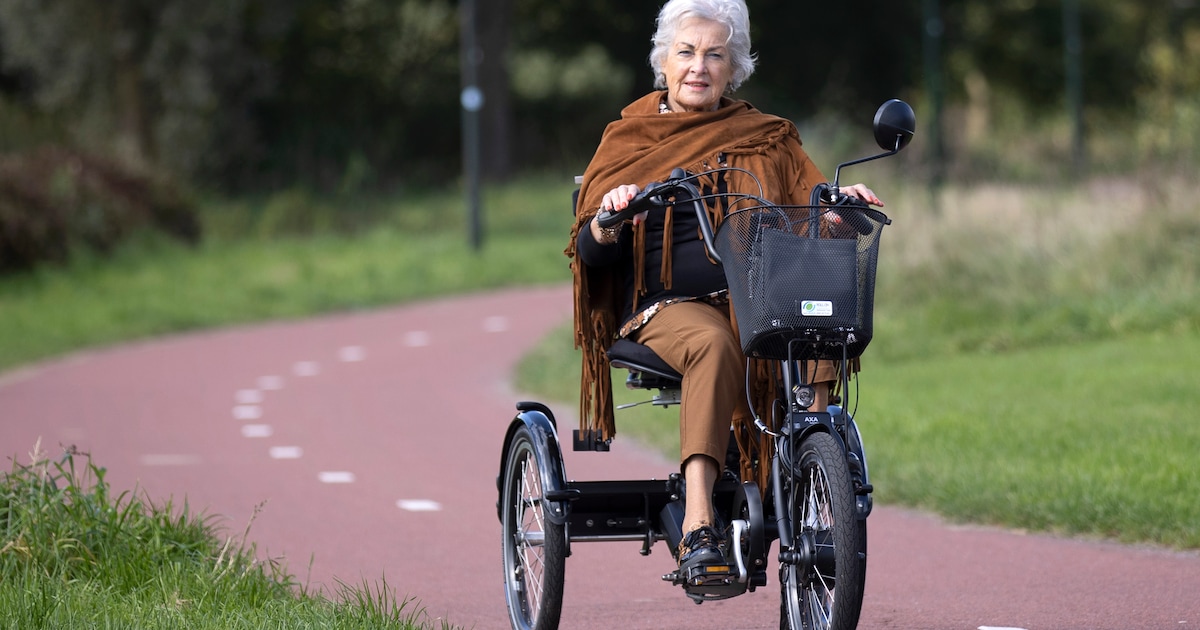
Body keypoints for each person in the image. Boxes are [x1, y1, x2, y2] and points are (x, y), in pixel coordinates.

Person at [566, 0, 882, 573]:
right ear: (664, 62)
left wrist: (841, 207)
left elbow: (813, 205)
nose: (699, 66)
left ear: (733, 68)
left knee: (815, 316)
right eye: (686, 52)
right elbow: (588, 248)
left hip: (756, 297)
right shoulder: (629, 138)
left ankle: (811, 460)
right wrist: (610, 216)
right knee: (714, 342)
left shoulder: (766, 137)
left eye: (715, 54)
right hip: (665, 308)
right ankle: (697, 523)